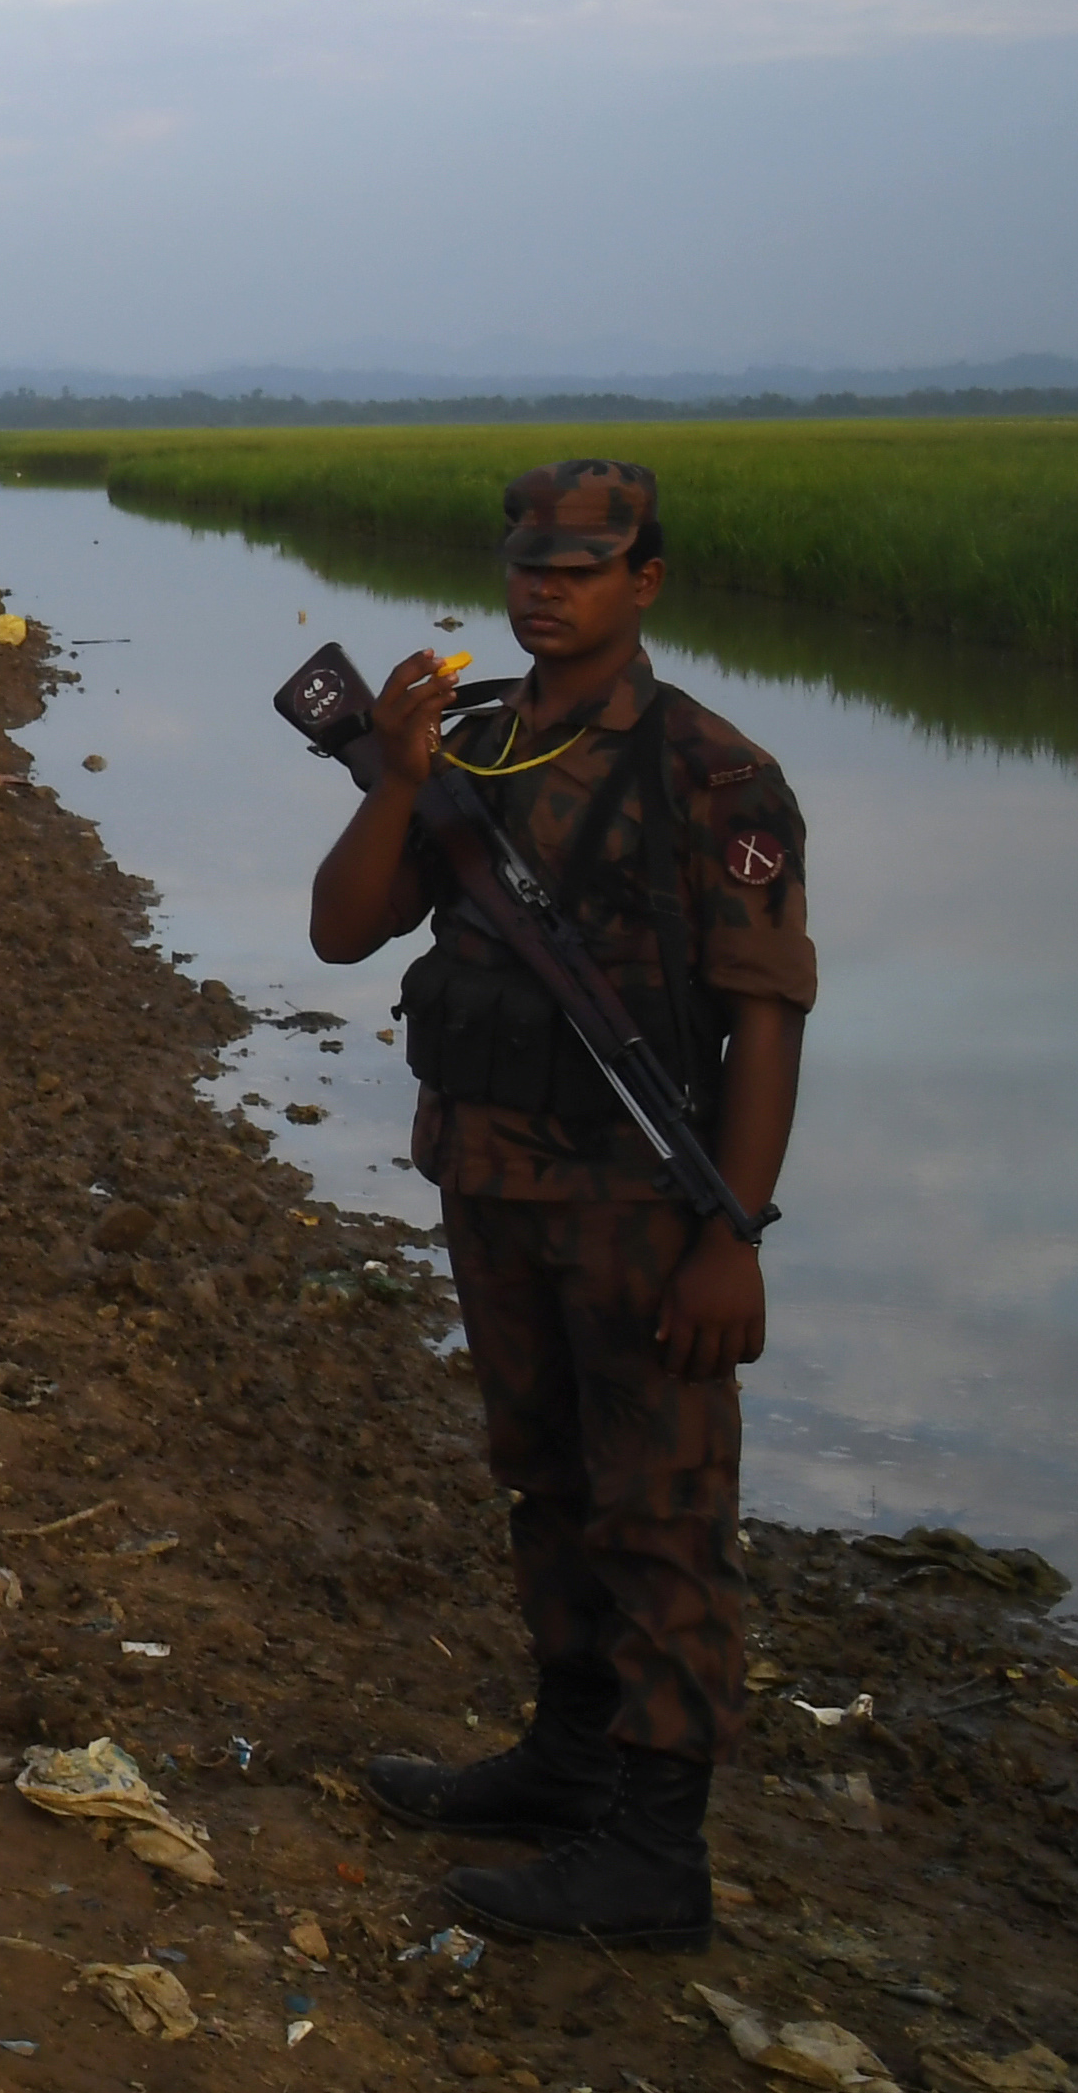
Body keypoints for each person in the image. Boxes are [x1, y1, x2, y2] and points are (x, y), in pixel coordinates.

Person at [312, 461, 809, 1951]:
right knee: (545, 1478)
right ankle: (567, 1760)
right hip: (493, 1188)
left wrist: (737, 1234)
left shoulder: (718, 776)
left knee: (661, 1512)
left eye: (583, 566)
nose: (546, 587)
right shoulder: (466, 748)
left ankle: (654, 1856)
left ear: (643, 582)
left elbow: (767, 1015)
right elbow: (343, 933)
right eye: (529, 562)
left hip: (644, 1209)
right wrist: (398, 775)